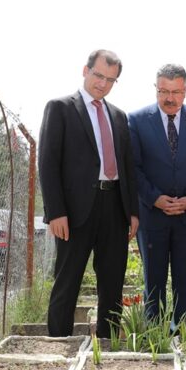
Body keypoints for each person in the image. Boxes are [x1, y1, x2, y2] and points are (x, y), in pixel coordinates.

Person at [39, 49, 139, 338]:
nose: (102, 83)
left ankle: (108, 345)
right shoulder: (60, 108)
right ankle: (59, 343)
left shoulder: (118, 117)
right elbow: (47, 161)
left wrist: (132, 211)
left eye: (110, 79)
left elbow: (128, 168)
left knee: (112, 282)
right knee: (67, 280)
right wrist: (55, 211)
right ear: (85, 71)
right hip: (74, 210)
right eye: (98, 75)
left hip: (114, 207)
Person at [128, 64, 186, 327]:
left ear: (185, 90)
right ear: (155, 88)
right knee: (153, 281)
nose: (169, 98)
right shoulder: (137, 120)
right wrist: (155, 198)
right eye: (163, 91)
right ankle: (155, 339)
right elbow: (133, 167)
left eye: (176, 92)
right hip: (152, 215)